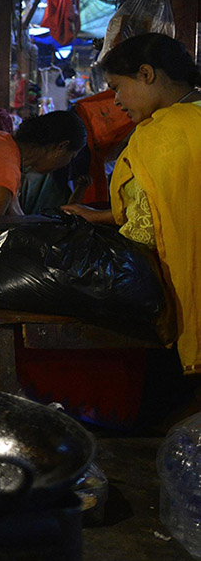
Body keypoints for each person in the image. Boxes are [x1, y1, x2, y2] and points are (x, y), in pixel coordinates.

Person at [62, 33, 201, 374]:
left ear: (146, 74)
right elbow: (175, 204)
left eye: (117, 87)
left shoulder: (165, 132)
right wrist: (102, 216)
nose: (116, 101)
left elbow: (147, 231)